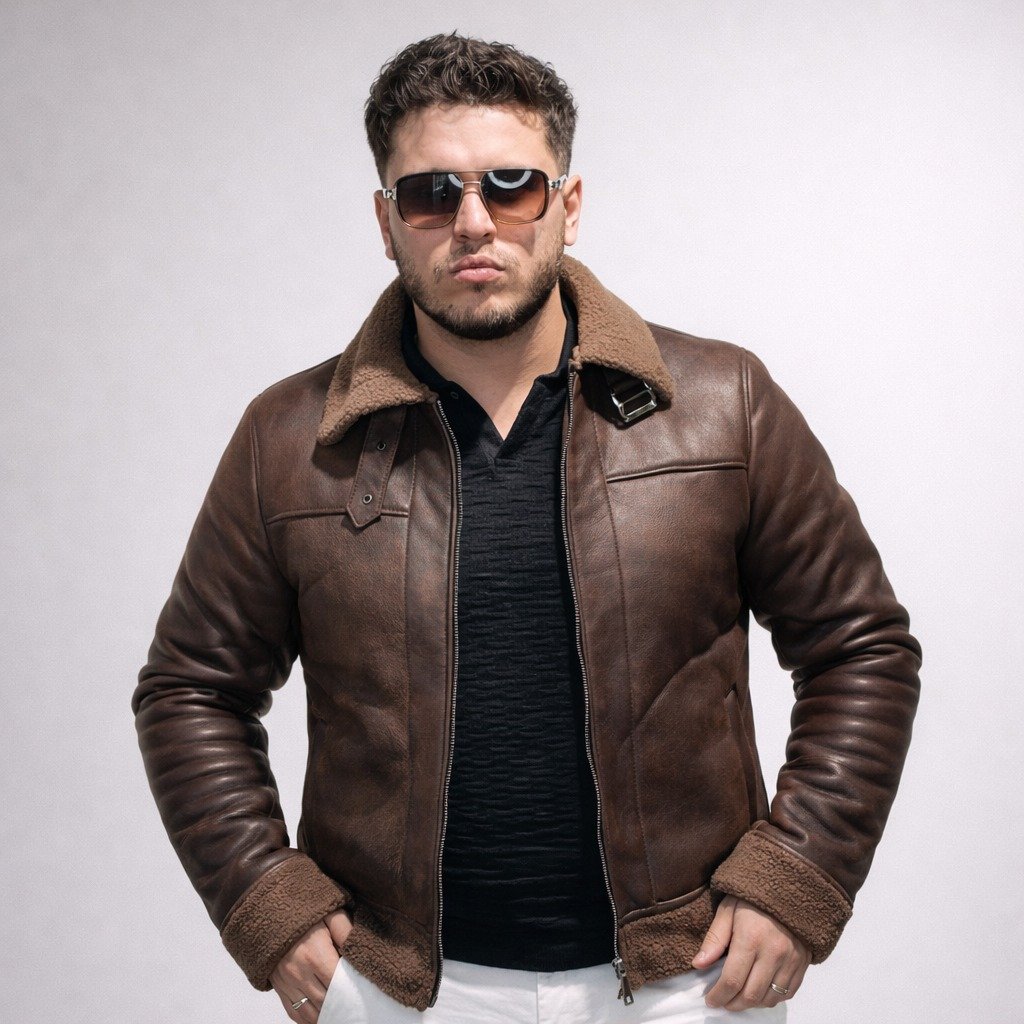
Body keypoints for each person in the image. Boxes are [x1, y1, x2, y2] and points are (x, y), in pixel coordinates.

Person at [132, 31, 921, 1024]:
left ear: (568, 205)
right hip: (398, 990)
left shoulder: (723, 404)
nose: (474, 223)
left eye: (513, 187)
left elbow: (861, 646)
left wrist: (796, 874)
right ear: (385, 221)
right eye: (431, 194)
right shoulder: (291, 439)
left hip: (688, 980)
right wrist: (266, 902)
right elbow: (191, 688)